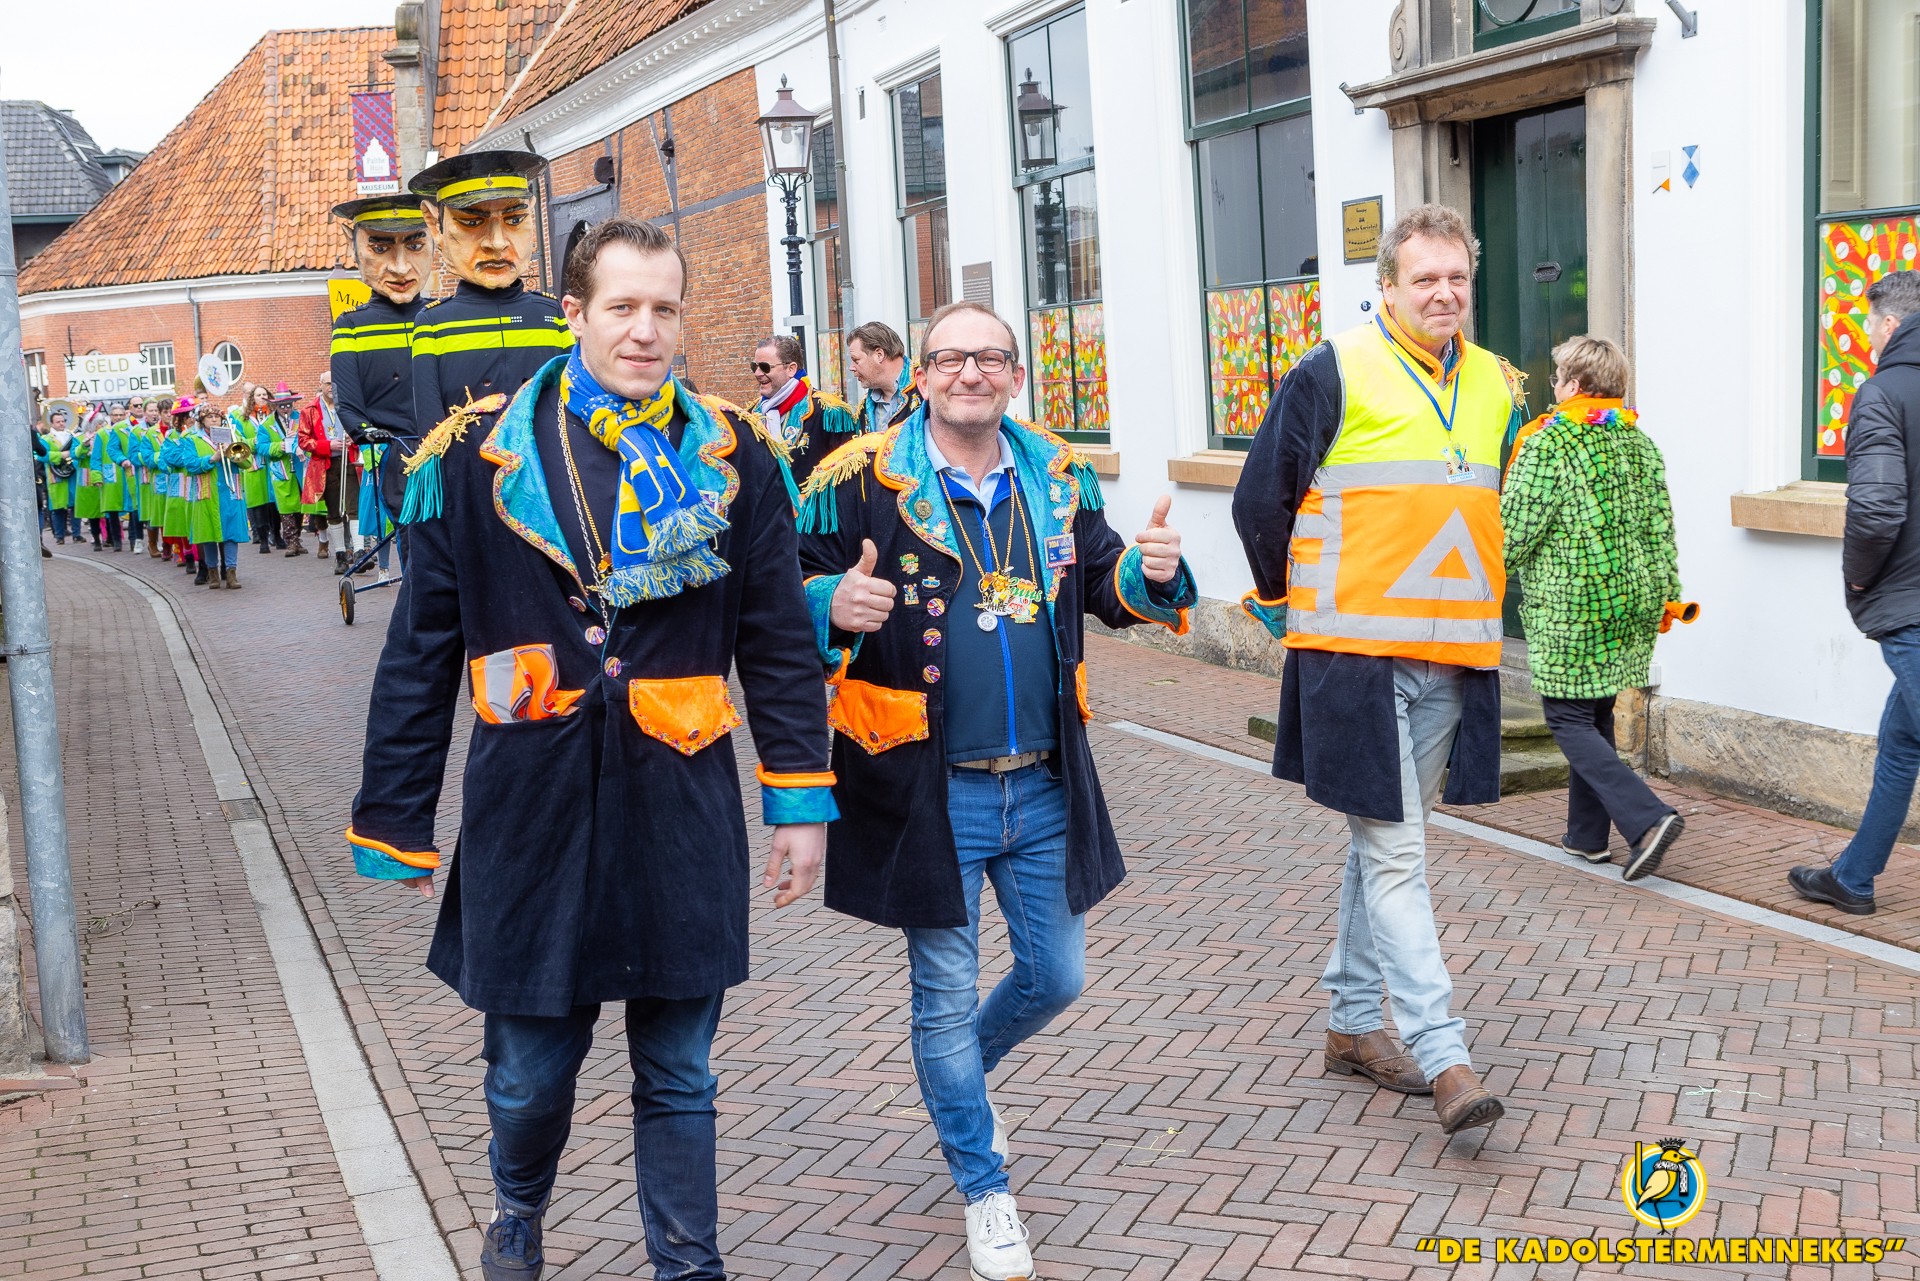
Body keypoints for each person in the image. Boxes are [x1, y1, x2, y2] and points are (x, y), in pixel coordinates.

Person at [348, 216, 833, 1281]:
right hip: (532, 809)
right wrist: (396, 818)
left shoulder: (735, 455)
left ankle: (688, 1264)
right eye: (623, 307)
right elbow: (421, 650)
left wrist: (800, 801)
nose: (646, 330)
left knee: (680, 1070)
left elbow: (777, 641)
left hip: (680, 804)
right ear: (574, 313)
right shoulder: (475, 456)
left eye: (665, 308)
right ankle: (517, 1210)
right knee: (528, 1075)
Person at [795, 300, 1197, 1281]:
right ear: (921, 376)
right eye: (950, 359)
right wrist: (830, 604)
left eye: (989, 358)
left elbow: (1107, 587)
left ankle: (958, 1086)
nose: (969, 373)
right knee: (942, 997)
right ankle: (985, 1189)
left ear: (1015, 375)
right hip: (926, 785)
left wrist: (1153, 574)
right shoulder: (859, 482)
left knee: (1057, 977)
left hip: (1044, 783)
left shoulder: (1055, 478)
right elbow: (788, 594)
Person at [1231, 204, 1525, 1136]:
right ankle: (1445, 1055)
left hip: (1454, 659)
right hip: (1354, 660)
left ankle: (1354, 1024)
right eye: (1424, 278)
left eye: (1457, 278)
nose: (1444, 293)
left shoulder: (1499, 385)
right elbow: (1259, 500)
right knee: (1397, 851)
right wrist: (1285, 602)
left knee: (1385, 843)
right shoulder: (1333, 369)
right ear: (1388, 287)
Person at [1502, 336, 1684, 880]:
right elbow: (1661, 528)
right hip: (1632, 600)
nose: (1554, 386)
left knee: (1567, 717)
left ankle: (1648, 818)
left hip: (1572, 605)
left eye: (1557, 378)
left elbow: (1515, 532)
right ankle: (1587, 837)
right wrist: (1668, 595)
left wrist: (1480, 571)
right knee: (1596, 711)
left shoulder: (1549, 444)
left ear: (1574, 385)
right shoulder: (1640, 442)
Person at [1792, 268, 1920, 915]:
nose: (1868, 337)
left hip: (1911, 604)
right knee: (1901, 744)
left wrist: (1859, 577)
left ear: (1889, 324)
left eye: (1870, 325)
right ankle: (1853, 877)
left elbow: (1875, 509)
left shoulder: (1881, 393)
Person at [406, 151, 573, 473]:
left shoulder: (550, 314)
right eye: (471, 222)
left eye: (515, 220)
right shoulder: (434, 323)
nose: (497, 243)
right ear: (435, 225)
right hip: (466, 475)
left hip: (544, 476)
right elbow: (431, 430)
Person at [330, 192, 433, 573]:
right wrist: (367, 432)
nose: (400, 266)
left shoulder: (442, 315)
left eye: (416, 245)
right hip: (399, 453)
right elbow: (348, 403)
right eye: (379, 247)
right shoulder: (352, 327)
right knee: (417, 547)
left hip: (452, 451)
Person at [751, 332, 857, 498]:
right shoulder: (751, 414)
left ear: (791, 369)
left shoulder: (829, 412)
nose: (757, 373)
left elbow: (847, 477)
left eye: (764, 367)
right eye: (754, 367)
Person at [299, 375, 350, 570]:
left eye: (334, 383)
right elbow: (303, 441)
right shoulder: (310, 410)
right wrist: (327, 445)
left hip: (350, 461)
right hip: (326, 465)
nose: (331, 387)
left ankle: (357, 550)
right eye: (328, 383)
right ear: (320, 385)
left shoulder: (347, 406)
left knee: (353, 509)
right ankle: (340, 555)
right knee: (334, 511)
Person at [847, 320, 922, 434]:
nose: (851, 368)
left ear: (879, 355)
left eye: (856, 360)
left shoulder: (925, 385)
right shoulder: (864, 407)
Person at [39, 401, 79, 545]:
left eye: (63, 421)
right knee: (58, 508)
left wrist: (72, 457)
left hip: (71, 473)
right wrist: (60, 455)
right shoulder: (46, 439)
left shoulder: (72, 437)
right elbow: (42, 455)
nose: (61, 424)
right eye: (58, 422)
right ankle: (59, 536)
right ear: (52, 424)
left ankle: (77, 534)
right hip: (55, 475)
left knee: (75, 505)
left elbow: (77, 452)